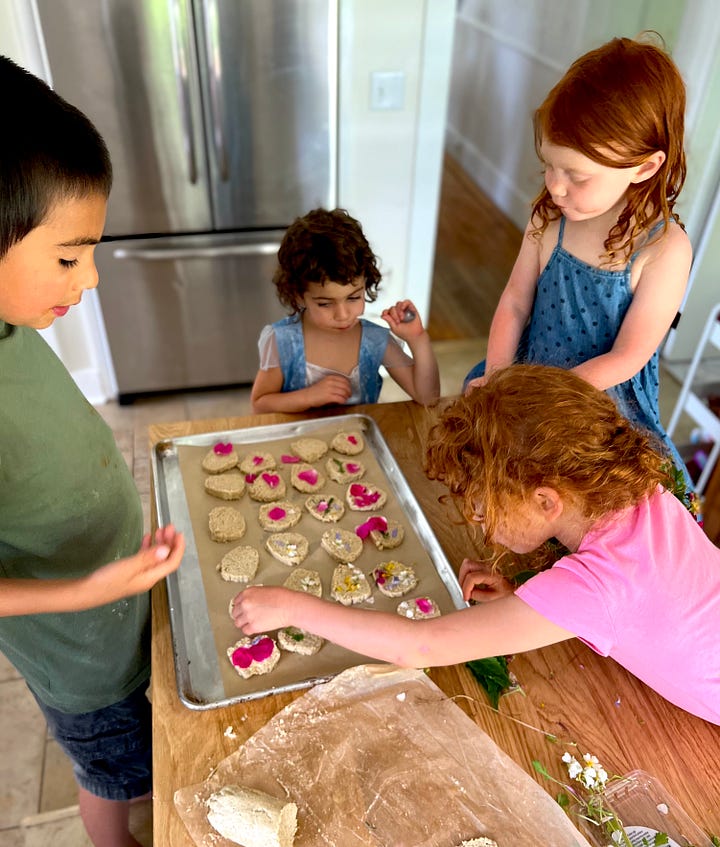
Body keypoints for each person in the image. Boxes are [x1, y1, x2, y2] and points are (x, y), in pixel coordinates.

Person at [231, 365, 720, 726]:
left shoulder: (599, 588)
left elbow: (418, 644)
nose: (480, 524)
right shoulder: (638, 490)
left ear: (546, 500)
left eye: (485, 509)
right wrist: (527, 602)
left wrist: (292, 606)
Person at [0, 56, 185, 847]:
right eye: (70, 257)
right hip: (81, 657)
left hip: (115, 606)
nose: (92, 278)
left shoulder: (12, 320)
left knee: (132, 748)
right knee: (112, 770)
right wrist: (85, 591)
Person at [463, 35, 693, 483]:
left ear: (644, 167)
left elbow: (627, 357)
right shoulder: (550, 218)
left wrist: (544, 400)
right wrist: (497, 378)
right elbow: (514, 302)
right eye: (549, 165)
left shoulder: (664, 249)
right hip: (529, 380)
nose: (555, 187)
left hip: (598, 406)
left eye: (577, 175)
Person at [250, 207, 440, 413]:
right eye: (325, 303)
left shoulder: (375, 341)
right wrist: (308, 396)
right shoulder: (282, 342)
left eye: (353, 297)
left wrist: (418, 338)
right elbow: (260, 405)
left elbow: (428, 398)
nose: (343, 315)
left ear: (366, 282)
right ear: (298, 295)